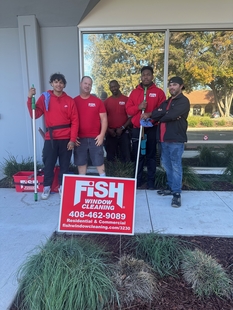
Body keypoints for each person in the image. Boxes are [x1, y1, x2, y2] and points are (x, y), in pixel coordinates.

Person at [27, 73, 79, 200]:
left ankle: (62, 185)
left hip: (66, 138)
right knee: (48, 164)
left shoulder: (69, 100)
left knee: (65, 164)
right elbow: (35, 114)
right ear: (51, 83)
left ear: (64, 85)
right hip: (50, 138)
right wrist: (30, 98)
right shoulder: (45, 97)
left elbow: (75, 121)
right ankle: (47, 186)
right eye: (56, 82)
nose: (58, 84)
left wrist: (72, 140)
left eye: (61, 82)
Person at [142, 76, 190, 208]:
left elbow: (170, 115)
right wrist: (161, 113)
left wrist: (163, 114)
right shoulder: (168, 101)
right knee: (166, 164)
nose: (172, 87)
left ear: (181, 86)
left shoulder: (184, 101)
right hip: (163, 139)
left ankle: (176, 194)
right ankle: (170, 187)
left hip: (175, 139)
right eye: (170, 85)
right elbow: (160, 112)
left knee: (175, 166)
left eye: (175, 85)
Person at [126, 66, 166, 190]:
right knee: (138, 155)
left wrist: (150, 117)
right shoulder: (134, 92)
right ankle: (137, 182)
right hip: (138, 129)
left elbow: (162, 110)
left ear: (152, 76)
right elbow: (128, 110)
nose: (146, 77)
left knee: (151, 155)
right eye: (143, 75)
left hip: (151, 127)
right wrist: (139, 107)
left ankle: (150, 182)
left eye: (148, 74)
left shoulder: (159, 92)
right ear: (141, 76)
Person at [73, 76, 107, 176]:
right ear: (80, 84)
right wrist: (73, 137)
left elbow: (104, 119)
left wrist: (101, 135)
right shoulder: (74, 101)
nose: (87, 86)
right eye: (85, 83)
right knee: (81, 163)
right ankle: (81, 183)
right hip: (79, 139)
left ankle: (103, 181)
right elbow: (70, 120)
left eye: (89, 84)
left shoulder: (98, 101)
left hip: (96, 138)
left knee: (99, 162)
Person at [104, 80, 131, 162]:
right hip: (111, 132)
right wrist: (108, 129)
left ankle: (126, 173)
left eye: (115, 86)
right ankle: (111, 173)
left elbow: (131, 117)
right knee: (111, 157)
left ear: (119, 86)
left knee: (126, 156)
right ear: (109, 88)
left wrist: (122, 128)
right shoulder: (106, 102)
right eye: (111, 87)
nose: (114, 88)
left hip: (124, 132)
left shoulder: (127, 100)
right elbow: (103, 118)